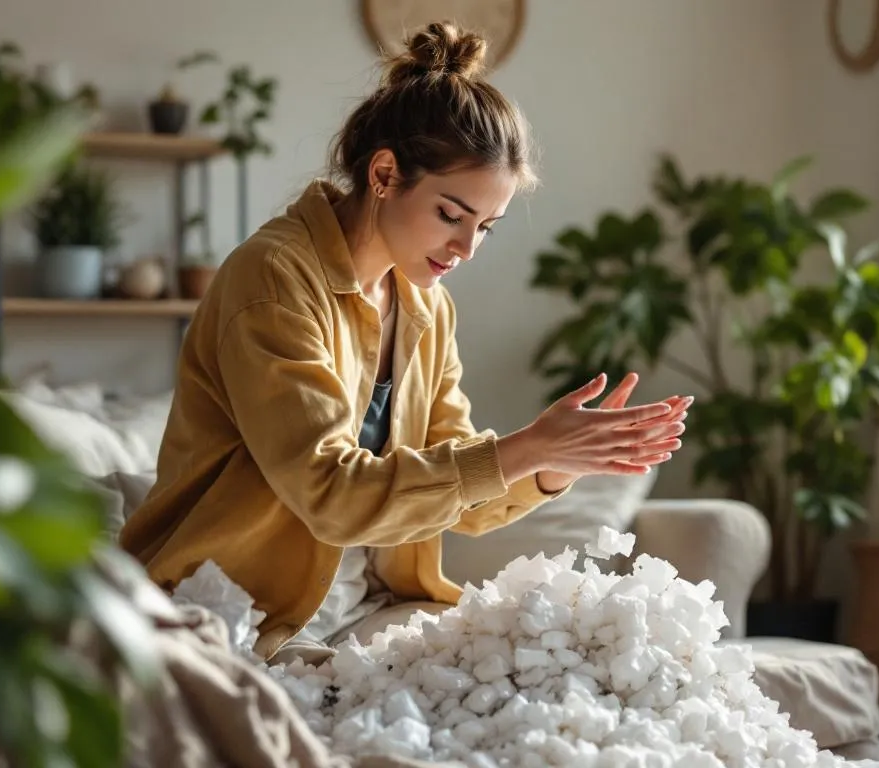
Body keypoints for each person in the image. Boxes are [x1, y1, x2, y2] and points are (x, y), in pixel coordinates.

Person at [118, 21, 692, 664]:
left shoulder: (424, 302)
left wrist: (555, 460)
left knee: (579, 671)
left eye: (487, 227)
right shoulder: (275, 279)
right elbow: (330, 494)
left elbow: (460, 495)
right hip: (244, 616)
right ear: (385, 174)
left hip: (371, 607)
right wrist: (524, 447)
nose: (467, 248)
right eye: (451, 214)